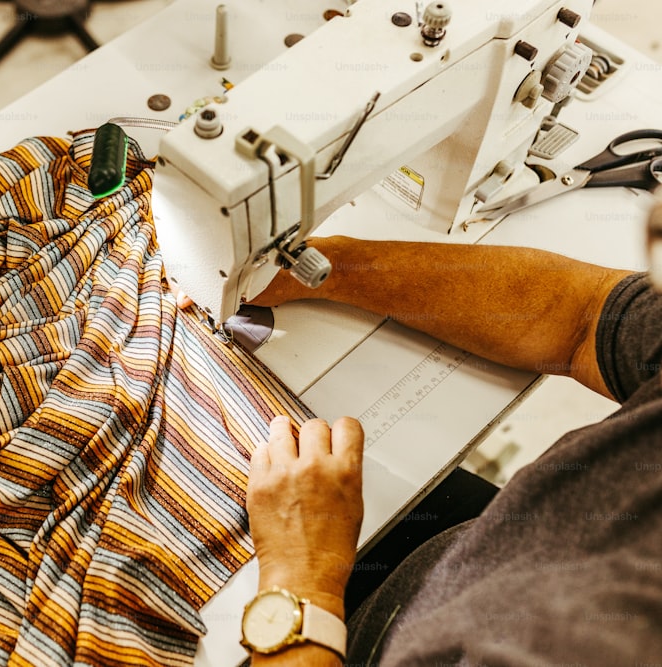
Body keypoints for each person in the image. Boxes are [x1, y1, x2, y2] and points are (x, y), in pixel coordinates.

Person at [236, 205, 662, 666]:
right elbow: (583, 315)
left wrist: (302, 578)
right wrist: (324, 268)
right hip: (486, 551)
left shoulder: (601, 644)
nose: (653, 220)